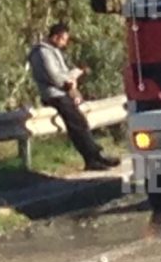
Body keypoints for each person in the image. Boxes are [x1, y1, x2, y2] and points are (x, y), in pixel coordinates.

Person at [27, 22, 119, 170]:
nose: (65, 43)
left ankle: (94, 158)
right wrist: (74, 75)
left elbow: (62, 75)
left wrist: (72, 80)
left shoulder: (52, 51)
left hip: (61, 93)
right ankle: (95, 157)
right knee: (77, 124)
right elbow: (56, 77)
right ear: (56, 37)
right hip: (54, 95)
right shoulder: (43, 53)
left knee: (80, 124)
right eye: (63, 39)